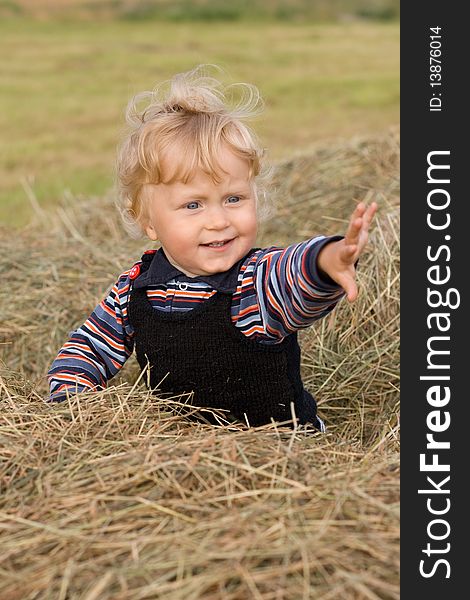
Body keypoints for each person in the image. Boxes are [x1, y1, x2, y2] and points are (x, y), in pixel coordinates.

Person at [47, 65, 377, 432]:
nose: (218, 220)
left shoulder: (254, 282)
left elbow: (294, 274)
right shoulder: (133, 289)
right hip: (186, 460)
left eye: (233, 198)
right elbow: (90, 347)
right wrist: (69, 402)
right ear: (148, 220)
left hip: (279, 459)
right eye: (193, 205)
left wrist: (329, 259)